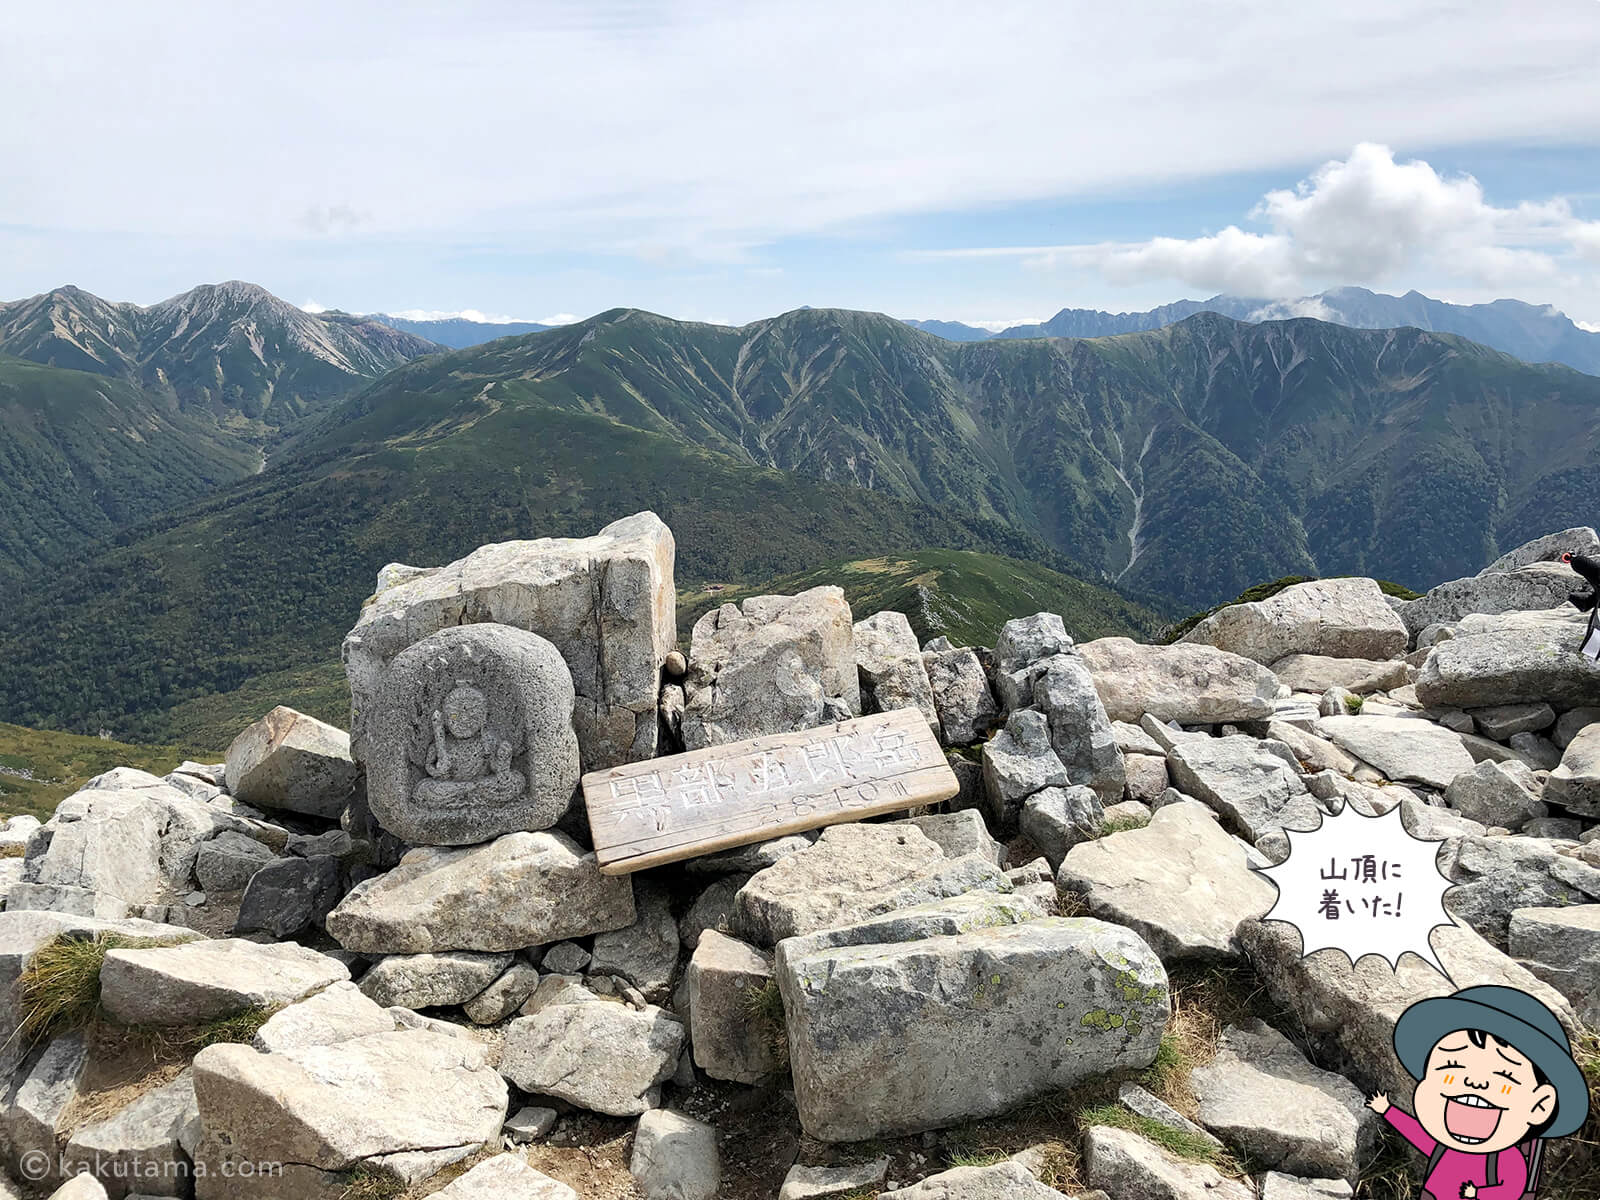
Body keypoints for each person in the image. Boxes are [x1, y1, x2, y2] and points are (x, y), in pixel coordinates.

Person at [1366, 985, 1589, 1199]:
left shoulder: (1506, 1158)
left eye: (1505, 1075)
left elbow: (1512, 1188)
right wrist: (1387, 1111)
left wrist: (1480, 1194)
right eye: (1452, 1064)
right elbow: (1419, 1135)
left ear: (1540, 1105)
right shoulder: (1445, 1147)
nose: (1474, 1082)